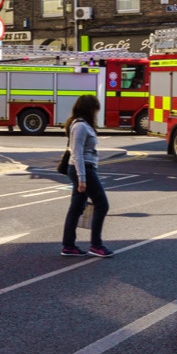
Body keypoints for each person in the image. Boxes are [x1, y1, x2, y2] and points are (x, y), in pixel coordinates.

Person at [61, 94, 113, 258]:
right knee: (102, 204)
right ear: (89, 109)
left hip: (84, 169)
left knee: (76, 208)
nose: (96, 113)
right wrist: (82, 178)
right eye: (95, 109)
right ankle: (96, 245)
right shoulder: (80, 126)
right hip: (83, 169)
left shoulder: (82, 125)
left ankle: (68, 246)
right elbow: (76, 153)